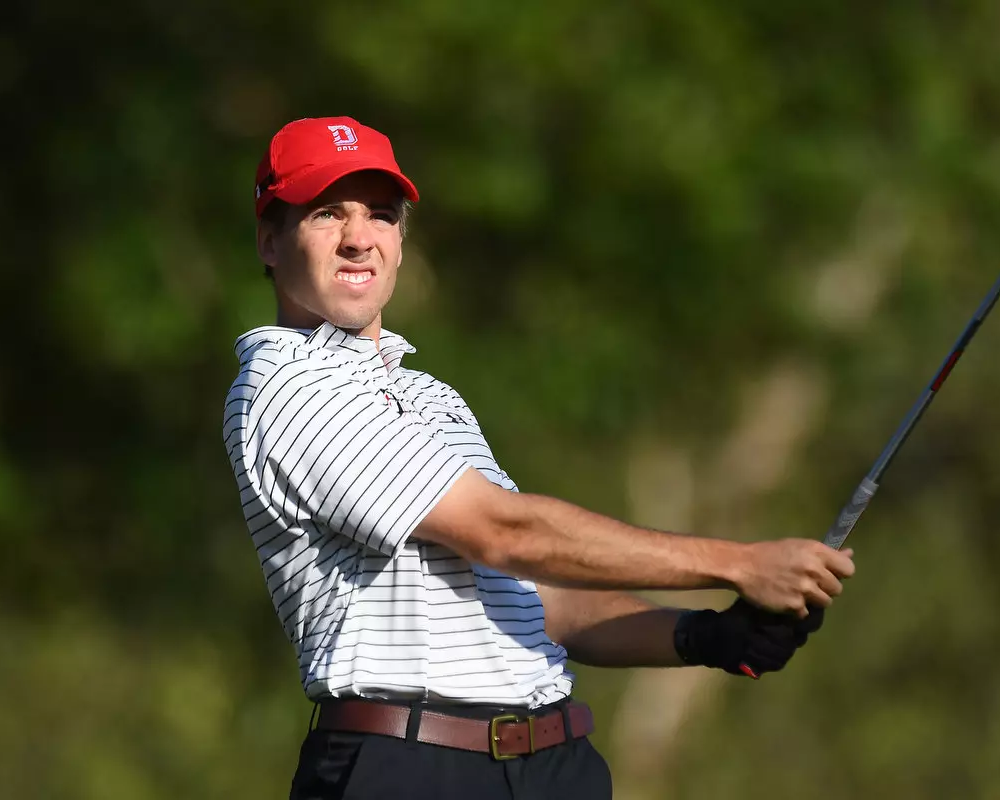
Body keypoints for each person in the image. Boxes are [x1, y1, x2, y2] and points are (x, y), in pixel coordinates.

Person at [223, 116, 856, 800]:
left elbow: (533, 597)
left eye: (380, 214)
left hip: (551, 765)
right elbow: (505, 532)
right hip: (412, 766)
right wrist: (740, 564)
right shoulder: (287, 386)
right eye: (326, 213)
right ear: (269, 241)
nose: (358, 237)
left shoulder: (429, 395)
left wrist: (703, 635)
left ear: (401, 241)